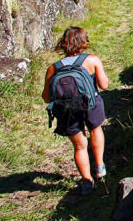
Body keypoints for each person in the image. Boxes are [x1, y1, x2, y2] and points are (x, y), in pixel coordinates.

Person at [42, 26, 110, 195]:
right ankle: (100, 167)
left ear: (63, 43)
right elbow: (104, 85)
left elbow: (47, 98)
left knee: (79, 146)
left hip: (67, 111)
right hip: (91, 104)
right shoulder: (92, 60)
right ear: (83, 41)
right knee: (95, 130)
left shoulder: (53, 68)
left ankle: (87, 182)